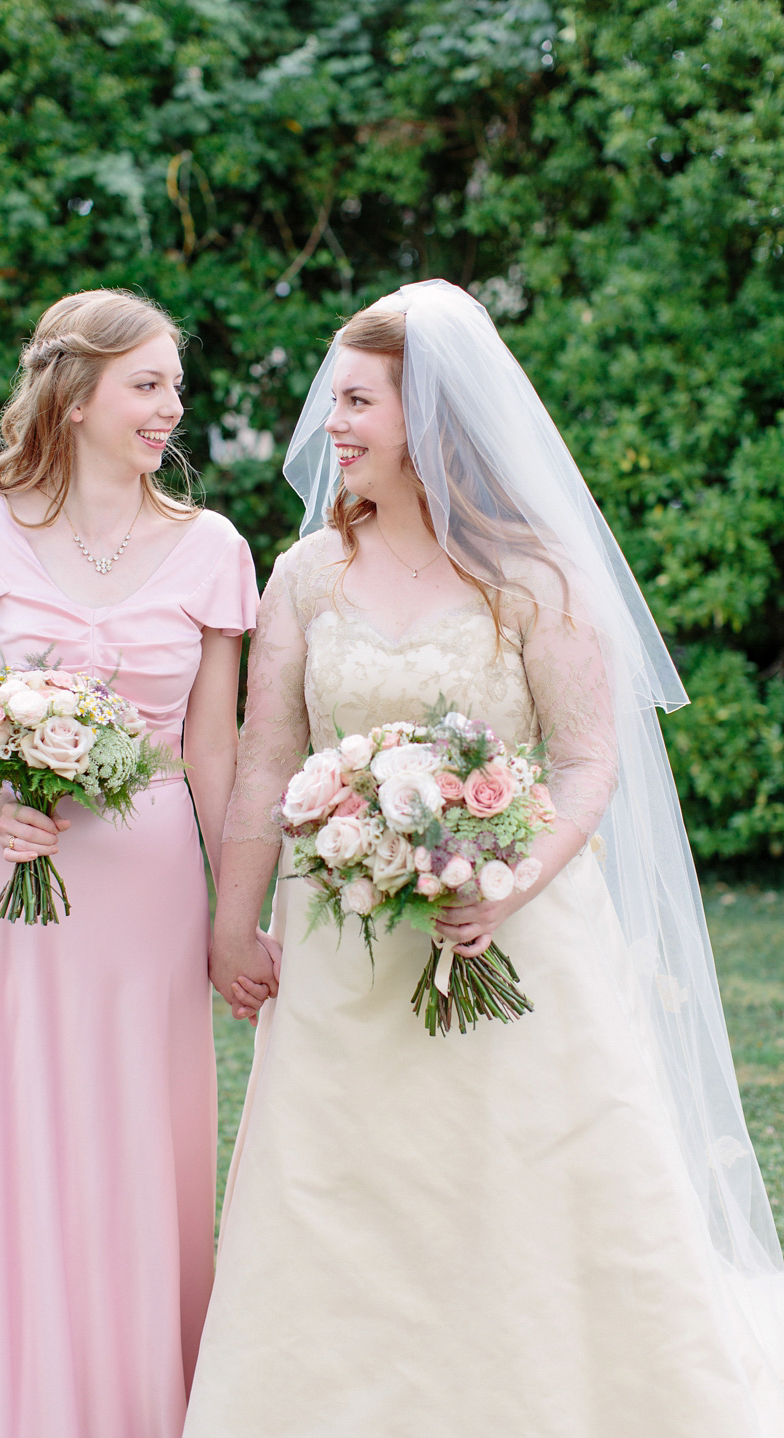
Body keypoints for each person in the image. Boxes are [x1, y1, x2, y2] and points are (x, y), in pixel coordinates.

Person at [184, 280, 784, 1436]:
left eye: (356, 401)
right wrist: (231, 918)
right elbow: (266, 762)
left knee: (521, 1179)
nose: (331, 427)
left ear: (433, 417)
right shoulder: (307, 573)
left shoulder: (535, 575)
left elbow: (586, 765)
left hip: (512, 931)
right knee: (339, 1198)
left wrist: (506, 882)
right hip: (342, 952)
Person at [0, 289, 260, 1438]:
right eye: (148, 384)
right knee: (11, 1127)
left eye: (174, 387)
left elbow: (214, 750)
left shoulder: (213, 550)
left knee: (140, 1142)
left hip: (147, 882)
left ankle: (139, 1401)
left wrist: (236, 913)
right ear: (78, 393)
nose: (170, 409)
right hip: (8, 879)